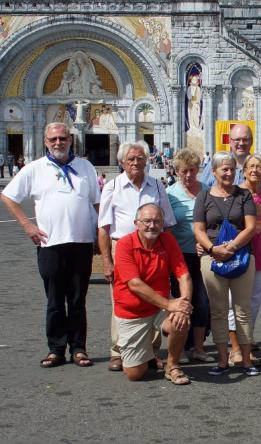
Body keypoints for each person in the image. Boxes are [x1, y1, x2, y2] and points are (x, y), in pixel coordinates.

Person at [1, 122, 99, 368]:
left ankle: (78, 348)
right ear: (46, 141)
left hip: (81, 242)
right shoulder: (35, 168)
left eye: (62, 138)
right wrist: (27, 226)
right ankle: (56, 349)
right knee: (55, 300)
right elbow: (8, 196)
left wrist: (100, 235)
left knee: (77, 300)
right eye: (53, 139)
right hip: (50, 243)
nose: (58, 143)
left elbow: (97, 204)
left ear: (70, 140)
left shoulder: (85, 166)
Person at [98, 140, 177, 371]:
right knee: (121, 301)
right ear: (122, 162)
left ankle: (150, 352)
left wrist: (170, 255)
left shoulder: (156, 186)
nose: (136, 163)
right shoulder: (112, 187)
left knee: (154, 297)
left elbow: (168, 222)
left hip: (153, 249)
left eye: (140, 158)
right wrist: (106, 261)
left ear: (147, 161)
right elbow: (104, 227)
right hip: (122, 249)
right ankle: (118, 351)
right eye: (131, 159)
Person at [193, 151, 259, 376]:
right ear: (214, 172)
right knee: (219, 310)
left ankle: (246, 360)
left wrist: (229, 248)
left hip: (240, 256)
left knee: (243, 310)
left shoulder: (244, 195)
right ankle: (223, 360)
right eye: (224, 168)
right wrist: (213, 249)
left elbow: (251, 227)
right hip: (211, 257)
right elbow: (198, 229)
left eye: (232, 168)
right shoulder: (203, 197)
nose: (229, 172)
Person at [113, 203, 192, 384]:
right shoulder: (125, 244)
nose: (152, 225)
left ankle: (172, 365)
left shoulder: (168, 240)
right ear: (136, 223)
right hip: (132, 312)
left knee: (180, 321)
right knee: (135, 374)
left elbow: (184, 275)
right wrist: (170, 304)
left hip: (159, 306)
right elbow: (135, 285)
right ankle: (143, 353)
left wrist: (183, 305)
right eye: (147, 221)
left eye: (157, 221)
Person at [166, 148, 214, 363]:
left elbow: (212, 221)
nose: (188, 175)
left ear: (198, 170)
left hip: (202, 255)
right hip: (179, 256)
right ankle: (181, 347)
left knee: (203, 301)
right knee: (182, 300)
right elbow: (166, 227)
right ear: (176, 171)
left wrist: (205, 242)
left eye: (192, 170)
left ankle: (199, 347)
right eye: (183, 171)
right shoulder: (169, 194)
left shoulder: (206, 190)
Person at [234, 154, 261, 365]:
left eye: (259, 167)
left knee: (256, 300)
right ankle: (237, 346)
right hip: (243, 252)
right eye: (251, 166)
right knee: (240, 301)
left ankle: (248, 337)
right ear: (244, 169)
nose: (255, 170)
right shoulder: (237, 193)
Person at [198, 124, 261, 191]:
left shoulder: (260, 168)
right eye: (237, 139)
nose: (241, 143)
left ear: (251, 141)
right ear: (230, 141)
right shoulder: (215, 163)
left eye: (245, 139)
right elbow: (201, 191)